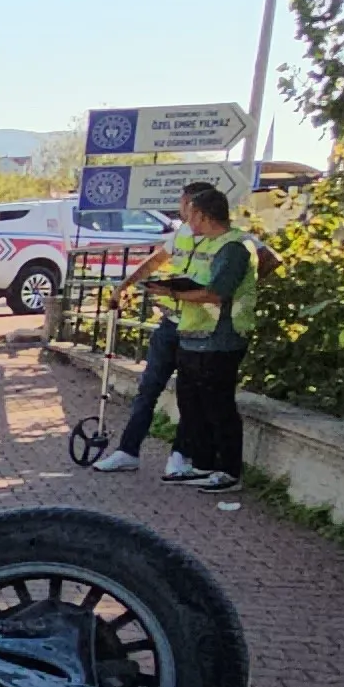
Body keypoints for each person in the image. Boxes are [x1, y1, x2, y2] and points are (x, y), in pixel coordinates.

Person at [137, 183, 258, 491]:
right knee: (193, 404)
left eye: (191, 215)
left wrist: (173, 290)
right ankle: (202, 465)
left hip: (221, 338)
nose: (187, 222)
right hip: (192, 334)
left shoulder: (234, 247)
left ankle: (229, 471)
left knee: (219, 406)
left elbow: (216, 293)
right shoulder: (209, 243)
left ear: (203, 216)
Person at [88, 290, 190, 477]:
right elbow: (154, 263)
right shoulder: (177, 258)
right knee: (147, 390)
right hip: (169, 325)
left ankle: (180, 456)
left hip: (198, 328)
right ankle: (127, 451)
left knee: (188, 396)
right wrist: (124, 287)